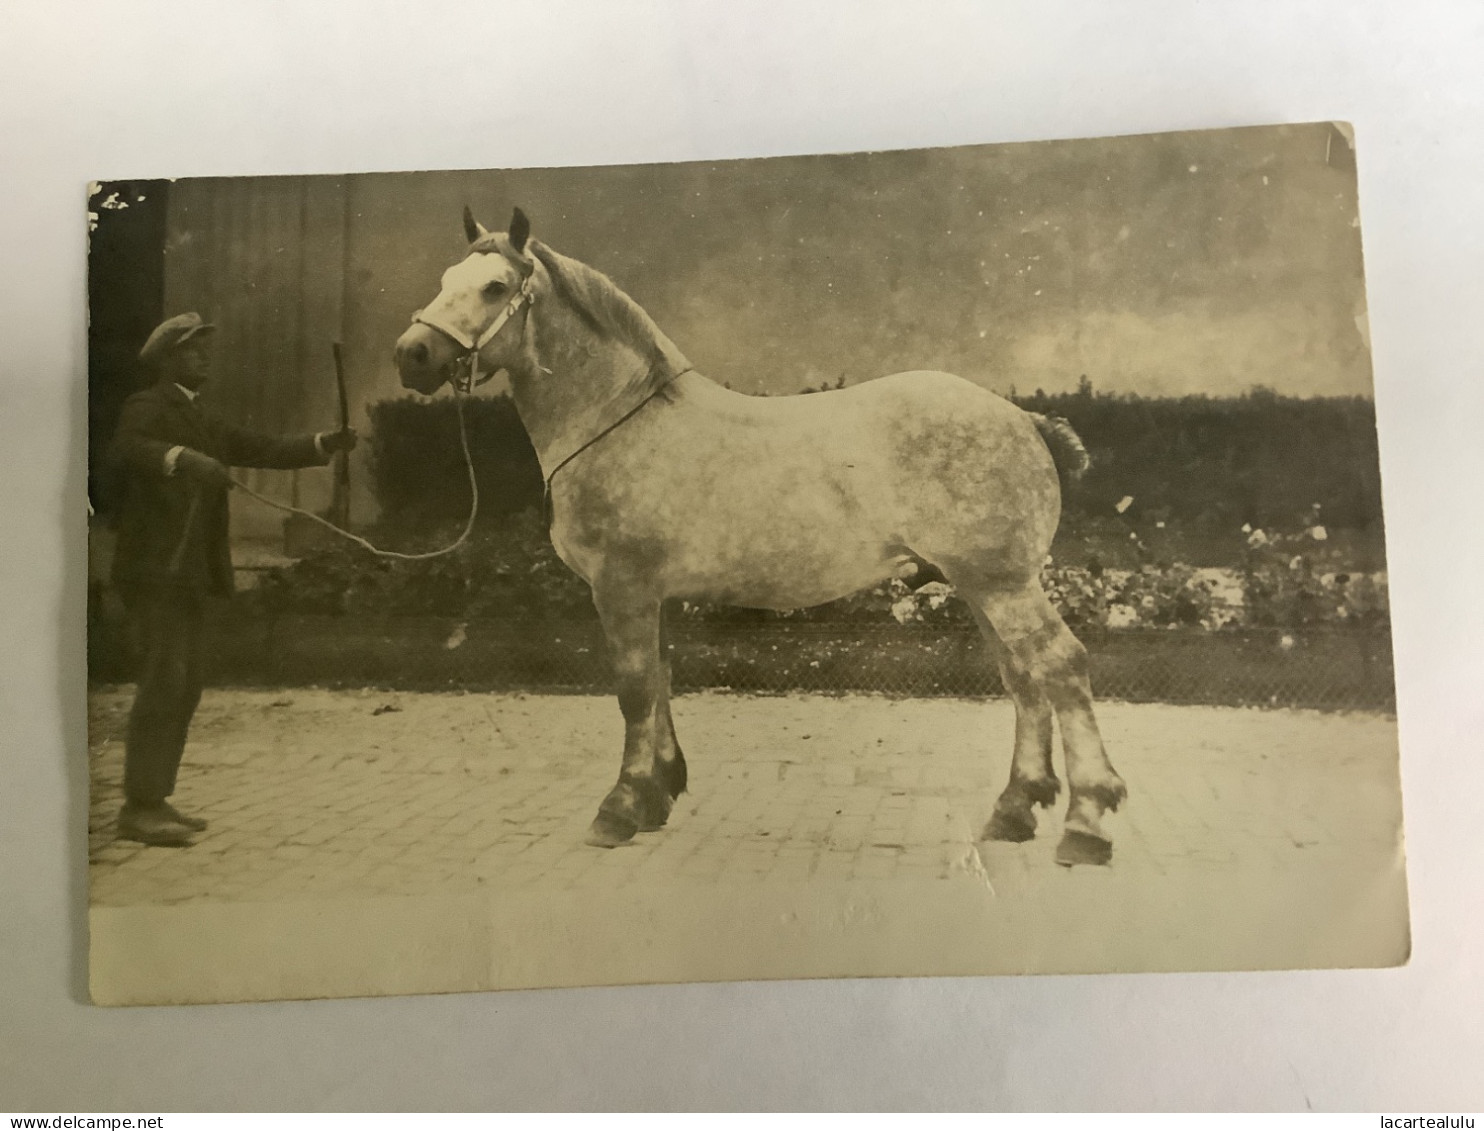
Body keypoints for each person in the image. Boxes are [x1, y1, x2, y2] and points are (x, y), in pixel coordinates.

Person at [105, 312, 357, 846]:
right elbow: (130, 450)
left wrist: (323, 444)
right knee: (164, 683)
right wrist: (183, 459)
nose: (204, 357)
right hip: (156, 571)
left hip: (190, 573)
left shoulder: (202, 418)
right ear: (169, 357)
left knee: (185, 685)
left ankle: (156, 799)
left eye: (205, 349)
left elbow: (260, 447)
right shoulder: (146, 407)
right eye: (194, 350)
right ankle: (138, 807)